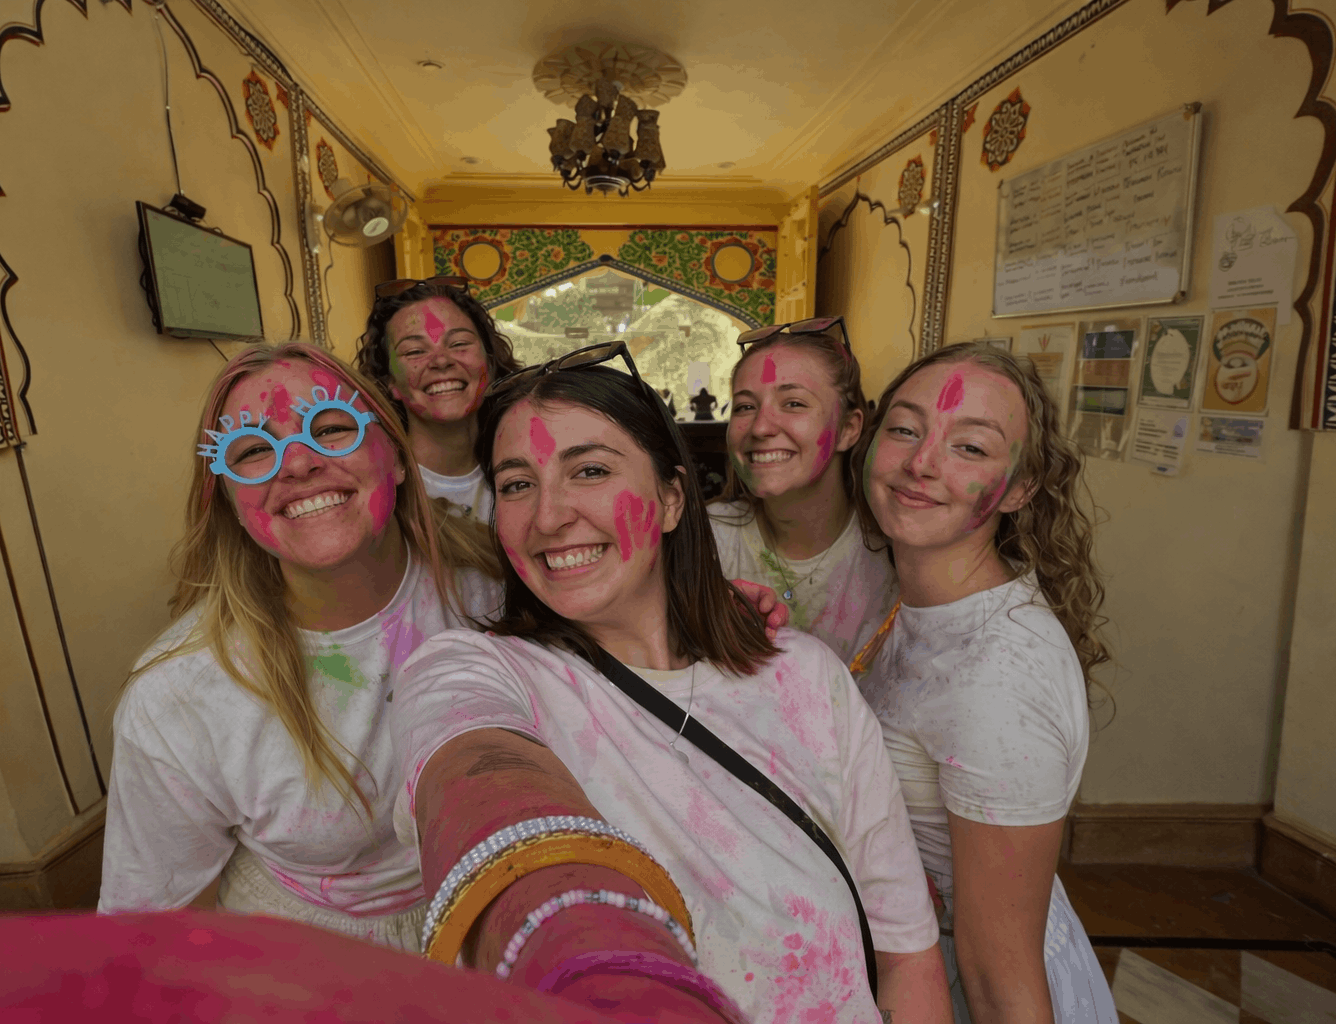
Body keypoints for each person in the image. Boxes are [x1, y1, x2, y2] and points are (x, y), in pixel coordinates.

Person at [389, 345, 953, 1024]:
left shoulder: (803, 677)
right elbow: (472, 770)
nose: (548, 516)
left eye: (590, 471)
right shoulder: (475, 669)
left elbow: (905, 956)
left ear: (670, 498)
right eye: (516, 484)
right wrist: (582, 939)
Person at [99, 343, 500, 948]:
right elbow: (147, 931)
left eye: (333, 429)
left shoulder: (498, 593)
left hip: (499, 908)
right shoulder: (178, 695)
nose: (298, 461)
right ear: (230, 501)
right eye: (255, 450)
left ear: (395, 455)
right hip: (308, 957)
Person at [851, 342, 1118, 1024]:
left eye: (970, 448)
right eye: (906, 429)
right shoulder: (919, 599)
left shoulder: (996, 676)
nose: (920, 463)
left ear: (1022, 487)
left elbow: (1002, 981)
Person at [709, 316, 898, 674]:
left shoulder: (895, 552)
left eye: (794, 403)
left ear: (848, 429)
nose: (761, 427)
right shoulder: (704, 541)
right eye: (745, 407)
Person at [357, 276, 522, 523]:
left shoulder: (524, 469)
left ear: (489, 362)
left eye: (459, 343)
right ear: (389, 382)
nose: (441, 361)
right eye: (414, 351)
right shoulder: (377, 491)